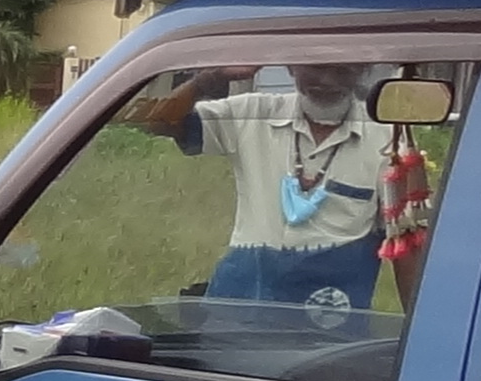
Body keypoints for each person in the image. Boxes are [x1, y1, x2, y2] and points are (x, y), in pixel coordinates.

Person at [143, 61, 391, 310]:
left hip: (329, 321)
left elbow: (408, 242)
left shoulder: (388, 139)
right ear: (291, 67)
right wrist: (209, 78)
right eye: (315, 67)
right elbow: (159, 122)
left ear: (362, 71)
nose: (327, 80)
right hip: (235, 309)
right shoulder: (254, 113)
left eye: (342, 69)